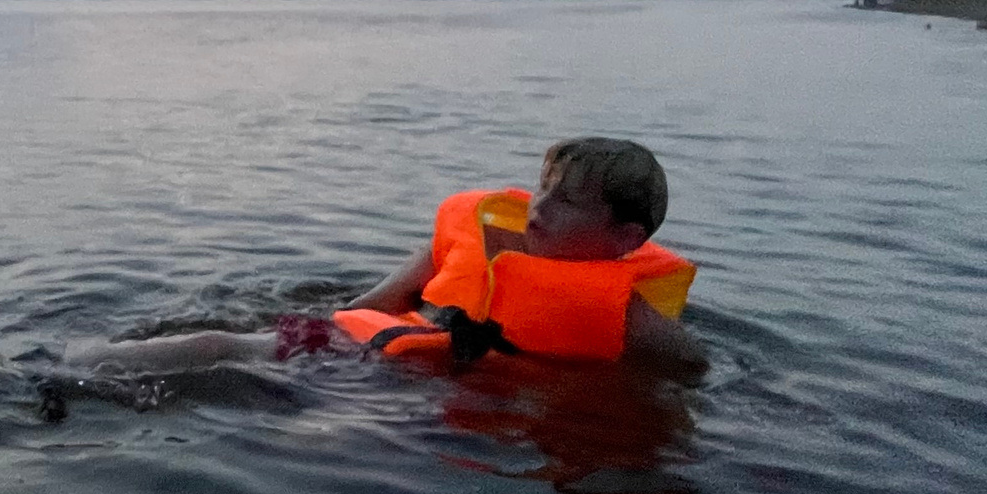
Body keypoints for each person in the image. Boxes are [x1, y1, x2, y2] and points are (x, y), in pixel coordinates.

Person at [77, 138, 706, 376]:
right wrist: (322, 324)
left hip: (400, 393)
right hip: (366, 355)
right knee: (222, 344)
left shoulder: (621, 313)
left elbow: (691, 365)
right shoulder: (476, 236)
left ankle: (63, 376)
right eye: (542, 190)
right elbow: (371, 303)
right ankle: (67, 370)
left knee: (243, 371)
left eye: (567, 203)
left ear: (624, 238)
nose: (539, 208)